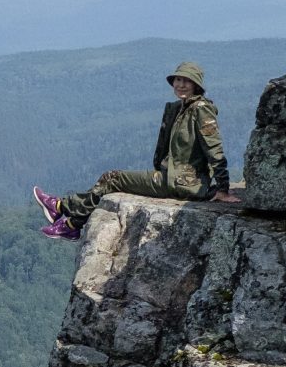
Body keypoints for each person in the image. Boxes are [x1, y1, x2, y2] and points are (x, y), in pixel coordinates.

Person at [33, 61, 236, 239]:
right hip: (173, 177)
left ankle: (61, 207)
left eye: (187, 81)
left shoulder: (201, 109)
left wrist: (223, 189)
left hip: (183, 183)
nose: (181, 84)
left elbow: (214, 148)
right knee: (112, 179)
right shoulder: (181, 107)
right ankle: (71, 225)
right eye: (178, 80)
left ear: (196, 85)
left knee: (112, 178)